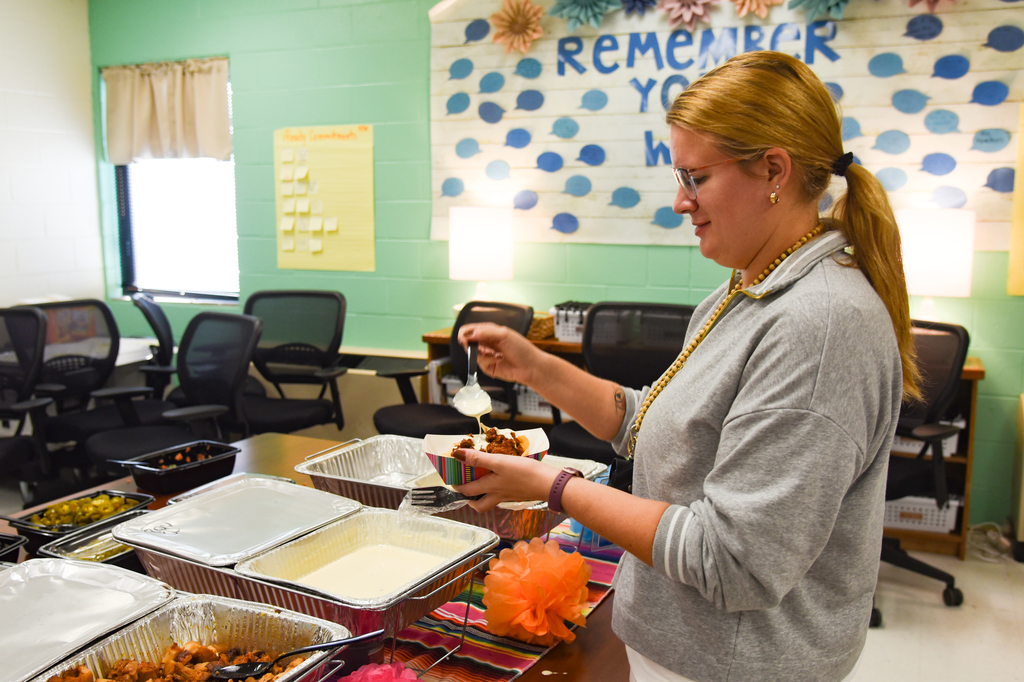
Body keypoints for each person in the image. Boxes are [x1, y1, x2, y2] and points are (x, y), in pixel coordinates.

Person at [453, 51, 920, 682]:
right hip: (682, 649)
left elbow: (733, 560)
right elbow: (656, 424)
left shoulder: (820, 327)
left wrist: (550, 486)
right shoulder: (744, 289)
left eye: (695, 177)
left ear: (773, 171)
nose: (681, 202)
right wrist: (536, 367)